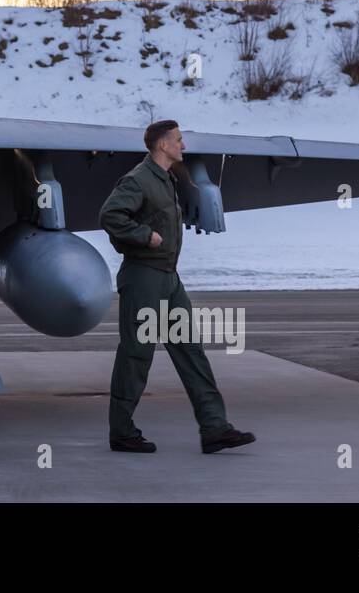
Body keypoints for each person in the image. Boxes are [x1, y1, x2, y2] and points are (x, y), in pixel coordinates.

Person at [99, 119, 256, 454]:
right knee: (136, 355)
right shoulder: (139, 179)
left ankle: (215, 429)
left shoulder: (166, 179)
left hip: (168, 278)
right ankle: (122, 432)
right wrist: (145, 236)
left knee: (190, 351)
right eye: (178, 140)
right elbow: (110, 215)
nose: (183, 146)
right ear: (162, 145)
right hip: (143, 277)